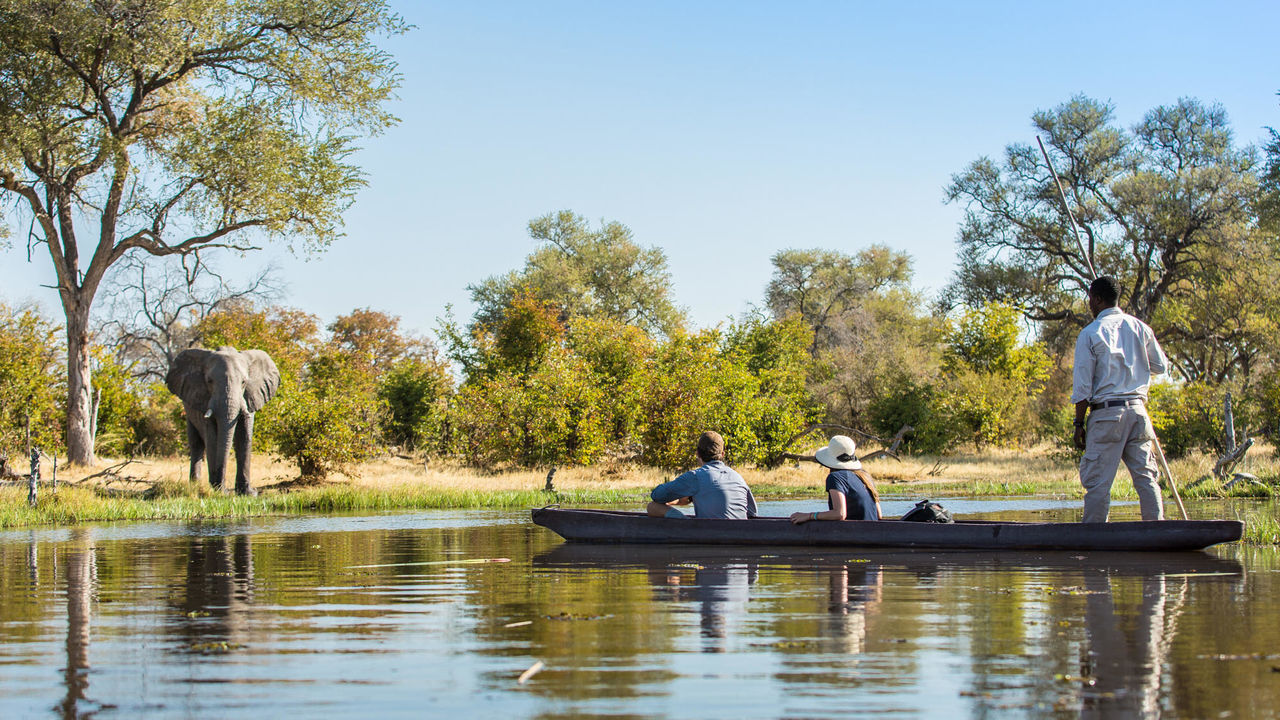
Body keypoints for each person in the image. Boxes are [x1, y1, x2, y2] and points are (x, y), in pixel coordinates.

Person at [1071, 276, 1169, 523]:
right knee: (1146, 478)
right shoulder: (1140, 327)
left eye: (1091, 299)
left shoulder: (1090, 333)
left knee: (1098, 484)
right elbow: (1160, 366)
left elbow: (1082, 387)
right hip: (1138, 413)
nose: (1089, 304)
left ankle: (1092, 538)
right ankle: (1156, 531)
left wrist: (1078, 424)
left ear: (1098, 299)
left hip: (1106, 416)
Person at [647, 431, 758, 519]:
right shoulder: (738, 477)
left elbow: (657, 495)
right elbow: (752, 512)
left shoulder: (695, 476)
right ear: (723, 454)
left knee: (652, 506)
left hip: (709, 535)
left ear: (698, 453)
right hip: (741, 533)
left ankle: (685, 523)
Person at [789, 435, 881, 524]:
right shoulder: (865, 476)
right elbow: (878, 515)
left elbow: (840, 514)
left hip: (854, 536)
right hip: (872, 536)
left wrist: (809, 516)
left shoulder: (835, 477)